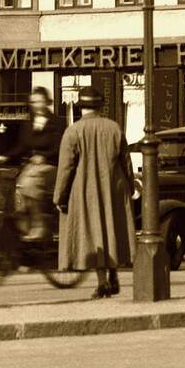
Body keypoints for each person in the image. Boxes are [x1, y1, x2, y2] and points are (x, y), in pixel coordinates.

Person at [53, 85, 135, 299]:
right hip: (113, 187)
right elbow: (126, 162)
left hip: (85, 189)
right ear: (100, 107)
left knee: (95, 232)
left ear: (80, 107)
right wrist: (131, 185)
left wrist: (60, 196)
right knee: (110, 228)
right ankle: (114, 274)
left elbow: (66, 167)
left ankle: (103, 282)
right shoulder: (115, 128)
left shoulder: (73, 131)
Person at [0, 86, 64, 241]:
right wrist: (4, 156)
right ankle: (24, 230)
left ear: (47, 102)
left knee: (29, 184)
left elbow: (59, 146)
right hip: (31, 167)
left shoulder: (57, 122)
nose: (36, 105)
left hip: (50, 165)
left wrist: (43, 156)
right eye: (33, 102)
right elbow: (22, 146)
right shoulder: (28, 122)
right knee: (17, 190)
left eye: (39, 101)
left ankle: (38, 226)